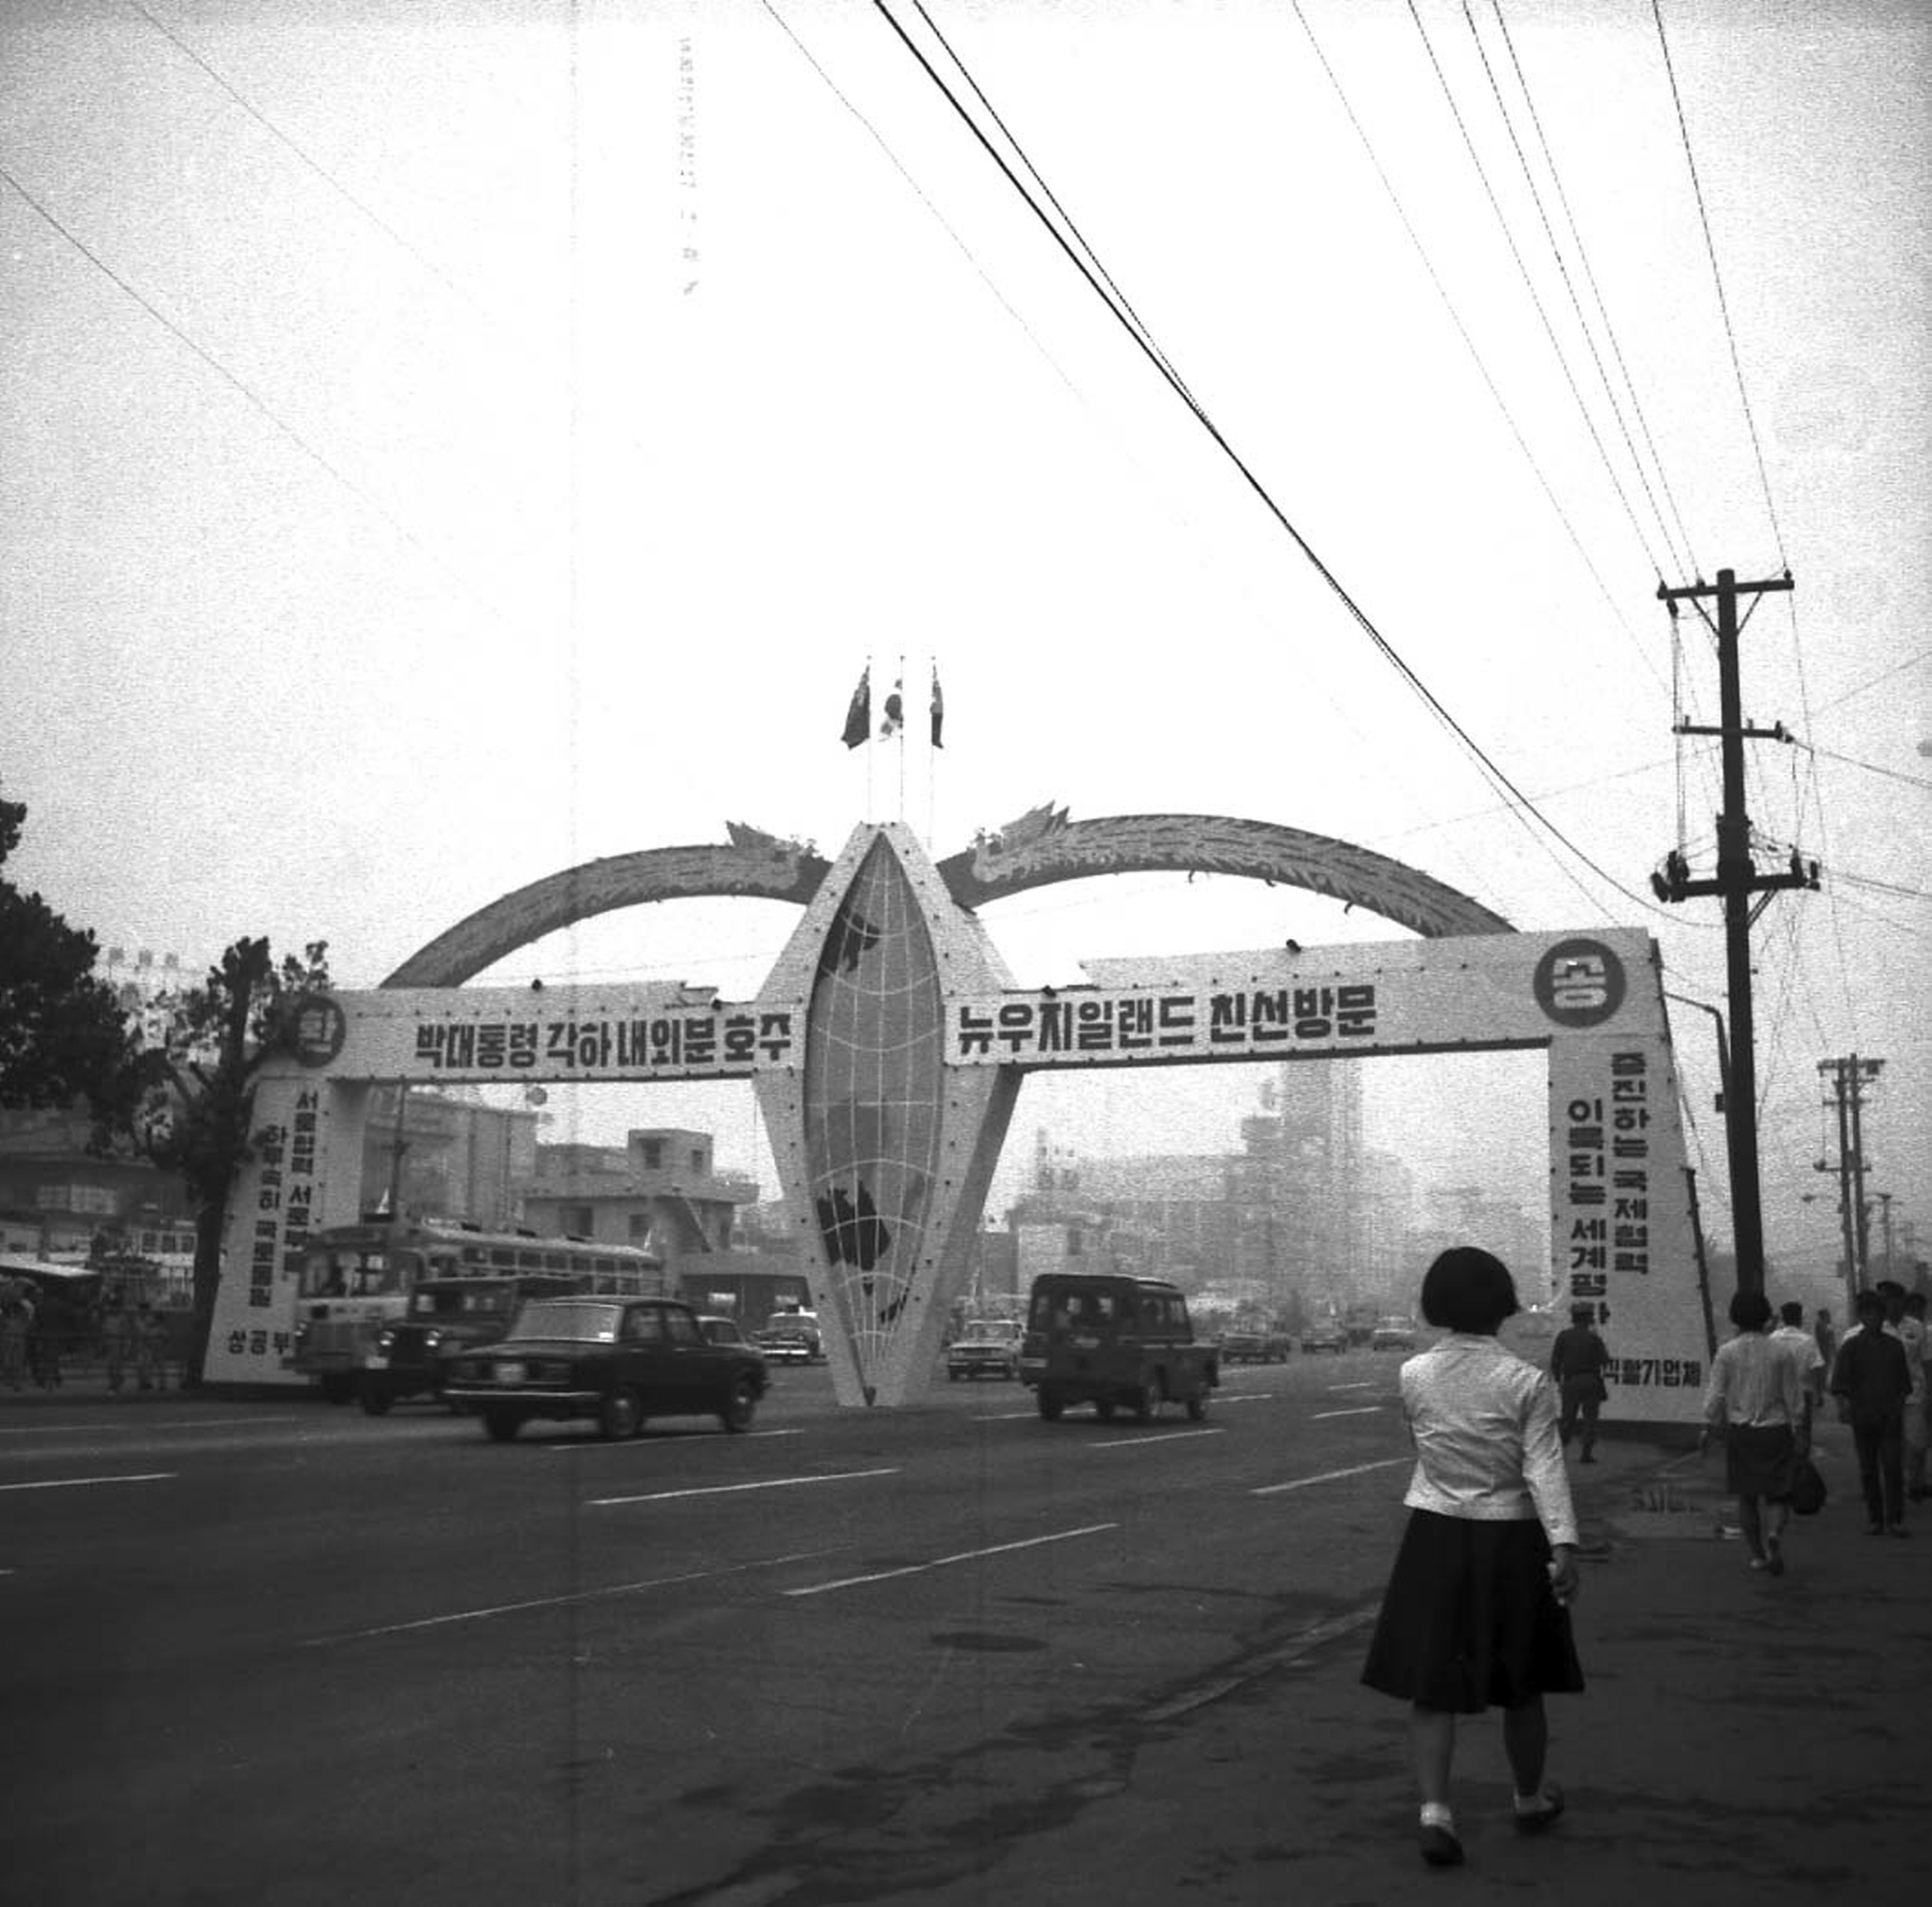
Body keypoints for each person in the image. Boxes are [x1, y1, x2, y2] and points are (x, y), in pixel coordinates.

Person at [1361, 1246, 1582, 1869]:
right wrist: (1564, 1543)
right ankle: (1529, 1797)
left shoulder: (1413, 1375)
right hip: (1511, 1536)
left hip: (1434, 1533)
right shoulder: (1528, 1382)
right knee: (1523, 1680)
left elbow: (1422, 1448)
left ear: (1436, 1306)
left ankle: (1436, 1812)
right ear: (1502, 1306)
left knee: (1433, 1680)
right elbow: (1543, 1467)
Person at [1699, 1289, 1806, 1577]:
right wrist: (1799, 1430)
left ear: (1735, 1317)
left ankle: (1758, 1555)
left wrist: (1707, 1427)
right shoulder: (1781, 1351)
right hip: (1777, 1431)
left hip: (1742, 1432)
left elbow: (1716, 1394)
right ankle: (1774, 1535)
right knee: (1777, 1495)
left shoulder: (1726, 1352)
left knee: (1747, 1497)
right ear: (1764, 1316)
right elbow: (1793, 1397)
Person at [1831, 1288, 1913, 1535]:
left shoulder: (1895, 1346)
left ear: (1882, 1315)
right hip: (1863, 1416)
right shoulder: (1851, 1347)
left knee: (1892, 1466)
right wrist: (1844, 1407)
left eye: (1876, 1313)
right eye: (1867, 1313)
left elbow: (1904, 1384)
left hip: (1890, 1417)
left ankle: (1895, 1519)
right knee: (1868, 1469)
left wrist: (1897, 1407)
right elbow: (1839, 1384)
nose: (1872, 1318)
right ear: (1861, 1317)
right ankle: (1875, 1519)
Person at [1548, 1303, 1610, 1463]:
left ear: (1573, 1318)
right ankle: (1586, 1454)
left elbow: (1555, 1361)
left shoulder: (1563, 1336)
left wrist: (1558, 1380)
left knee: (1567, 1418)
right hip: (1590, 1381)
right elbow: (1605, 1361)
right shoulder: (1593, 1337)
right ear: (1588, 1318)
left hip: (1571, 1381)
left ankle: (1559, 1455)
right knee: (1590, 1419)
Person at [1770, 1300, 1826, 1418]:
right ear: (1800, 1318)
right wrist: (1818, 1393)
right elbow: (1817, 1368)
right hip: (1804, 1391)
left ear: (1783, 1319)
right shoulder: (1808, 1340)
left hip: (1777, 1392)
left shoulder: (1772, 1339)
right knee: (1803, 1430)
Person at [1903, 1292, 1930, 1501]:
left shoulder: (1923, 1331)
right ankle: (1914, 1482)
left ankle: (1917, 1481)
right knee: (1914, 1442)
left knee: (1919, 1441)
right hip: (1902, 1395)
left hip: (1919, 1394)